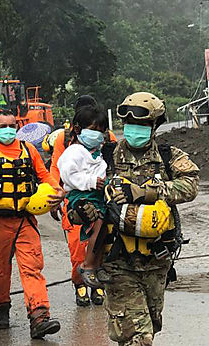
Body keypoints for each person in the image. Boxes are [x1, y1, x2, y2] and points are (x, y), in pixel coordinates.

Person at [79, 92, 199, 346]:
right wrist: (81, 210)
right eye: (130, 124)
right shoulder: (104, 155)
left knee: (151, 325)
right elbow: (79, 191)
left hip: (156, 261)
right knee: (138, 336)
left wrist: (147, 192)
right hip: (117, 260)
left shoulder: (169, 157)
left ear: (154, 126)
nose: (135, 129)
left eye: (142, 124)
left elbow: (190, 186)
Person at [0, 110, 64, 339]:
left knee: (32, 267)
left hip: (25, 220)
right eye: (4, 126)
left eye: (12, 125)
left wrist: (58, 192)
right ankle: (1, 307)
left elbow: (45, 177)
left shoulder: (29, 151)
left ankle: (39, 316)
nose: (8, 129)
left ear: (17, 127)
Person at [49, 95, 116, 306]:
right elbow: (57, 168)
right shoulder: (64, 141)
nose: (97, 132)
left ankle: (96, 283)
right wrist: (56, 195)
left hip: (101, 196)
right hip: (76, 200)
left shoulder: (108, 138)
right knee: (77, 246)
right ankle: (79, 284)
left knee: (102, 240)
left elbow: (112, 165)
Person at [56, 106, 110, 289]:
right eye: (93, 130)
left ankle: (98, 264)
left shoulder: (97, 151)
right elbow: (68, 176)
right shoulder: (73, 152)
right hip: (82, 195)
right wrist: (91, 182)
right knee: (99, 226)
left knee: (108, 228)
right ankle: (88, 265)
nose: (97, 135)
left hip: (98, 194)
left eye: (101, 131)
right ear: (78, 129)